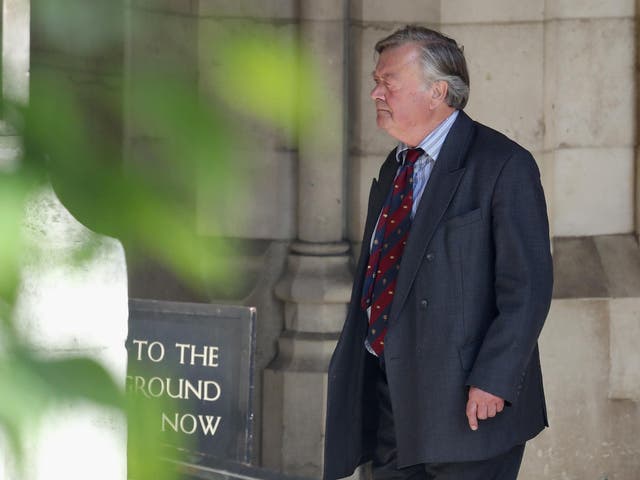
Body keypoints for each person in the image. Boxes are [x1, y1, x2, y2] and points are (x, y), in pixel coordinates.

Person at [324, 25, 553, 480]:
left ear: (437, 91)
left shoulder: (503, 164)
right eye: (376, 81)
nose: (375, 93)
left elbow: (526, 289)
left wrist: (493, 380)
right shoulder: (396, 165)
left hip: (468, 407)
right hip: (390, 398)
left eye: (388, 81)